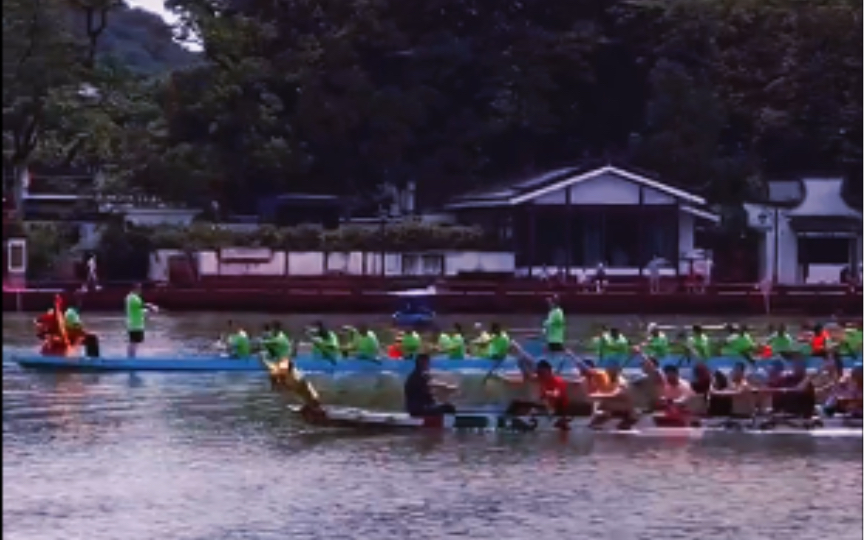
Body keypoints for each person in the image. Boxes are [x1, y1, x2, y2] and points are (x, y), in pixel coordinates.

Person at [125, 283, 156, 358]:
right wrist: (151, 307)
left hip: (135, 323)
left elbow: (138, 310)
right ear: (135, 289)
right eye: (139, 288)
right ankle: (131, 358)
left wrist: (148, 311)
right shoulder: (133, 298)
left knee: (134, 342)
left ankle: (131, 357)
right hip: (135, 324)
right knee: (134, 342)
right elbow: (141, 305)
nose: (140, 290)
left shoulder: (131, 297)